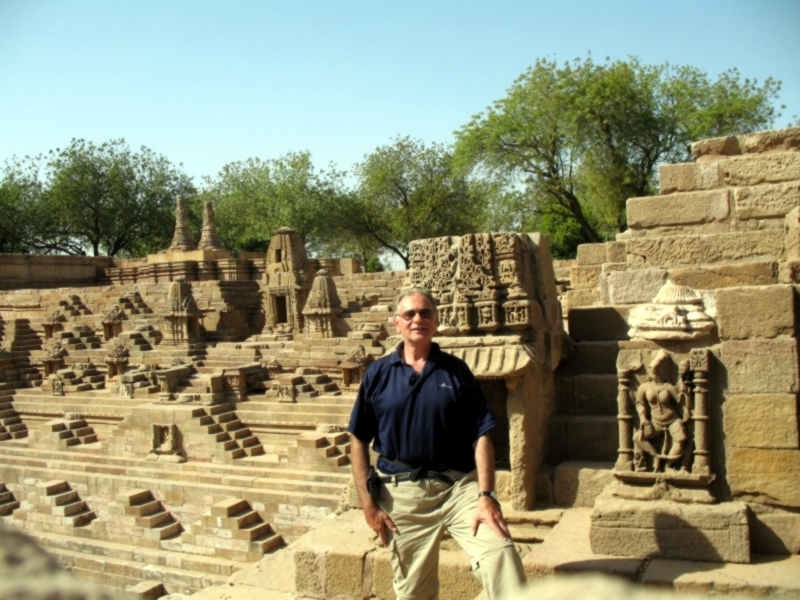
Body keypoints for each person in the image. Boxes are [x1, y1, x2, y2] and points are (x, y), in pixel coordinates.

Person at [347, 288, 526, 600]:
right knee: (414, 591)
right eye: (410, 314)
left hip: (458, 487)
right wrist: (368, 503)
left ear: (437, 319)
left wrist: (487, 495)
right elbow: (358, 438)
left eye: (425, 312)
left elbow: (481, 433)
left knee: (501, 554)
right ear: (397, 323)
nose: (418, 319)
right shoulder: (378, 374)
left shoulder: (455, 371)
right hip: (403, 492)